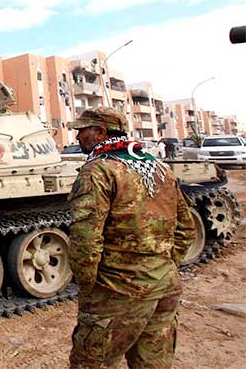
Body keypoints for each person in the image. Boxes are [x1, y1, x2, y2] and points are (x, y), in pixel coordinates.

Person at [67, 107, 195, 369]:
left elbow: (85, 241)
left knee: (94, 363)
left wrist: (89, 286)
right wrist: (163, 266)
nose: (77, 136)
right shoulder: (159, 168)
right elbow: (186, 228)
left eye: (82, 130)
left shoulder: (98, 172)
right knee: (153, 363)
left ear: (101, 132)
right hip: (164, 285)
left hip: (117, 291)